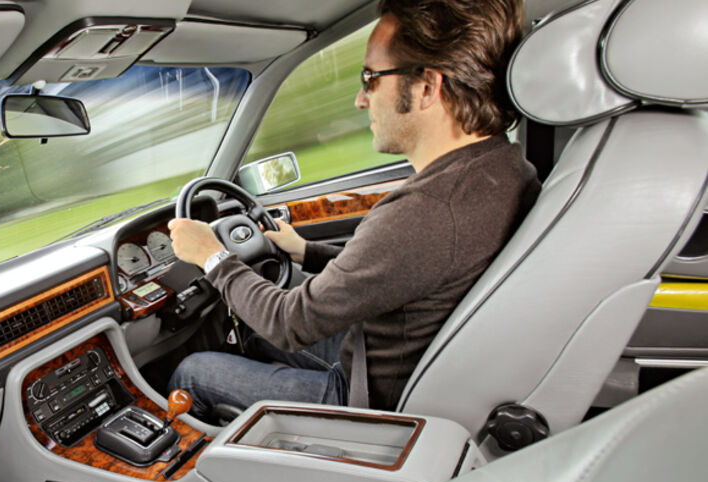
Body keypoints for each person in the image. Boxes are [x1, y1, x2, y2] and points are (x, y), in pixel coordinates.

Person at [167, 0, 541, 416]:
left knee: (193, 372)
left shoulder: (425, 210)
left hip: (373, 398)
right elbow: (403, 266)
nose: (362, 100)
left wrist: (211, 256)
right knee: (253, 339)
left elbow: (290, 323)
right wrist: (306, 251)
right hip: (397, 358)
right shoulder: (502, 165)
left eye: (371, 78)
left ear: (426, 88)